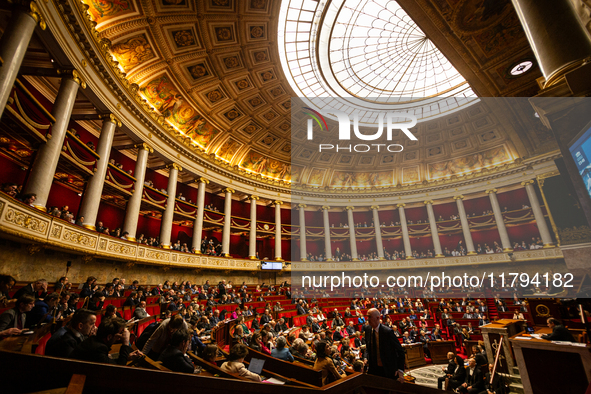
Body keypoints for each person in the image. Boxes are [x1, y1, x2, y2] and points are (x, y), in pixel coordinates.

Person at [71, 317, 143, 365]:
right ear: (109, 337)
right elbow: (119, 368)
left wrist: (127, 357)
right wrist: (126, 342)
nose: (121, 336)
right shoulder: (98, 348)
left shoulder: (93, 340)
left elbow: (109, 362)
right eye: (120, 333)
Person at [363, 308, 405, 382]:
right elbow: (368, 347)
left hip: (388, 369)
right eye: (367, 316)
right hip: (374, 369)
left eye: (369, 317)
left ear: (377, 318)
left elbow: (400, 351)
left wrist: (400, 370)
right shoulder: (367, 329)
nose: (367, 319)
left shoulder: (387, 332)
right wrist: (365, 357)